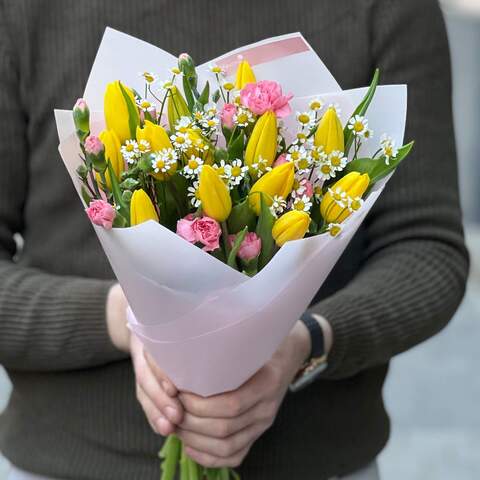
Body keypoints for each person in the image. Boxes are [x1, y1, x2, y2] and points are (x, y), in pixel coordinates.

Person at [0, 0, 469, 479]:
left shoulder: (384, 8)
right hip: (64, 463)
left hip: (316, 462)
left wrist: (305, 343)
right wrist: (128, 319)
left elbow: (427, 249)